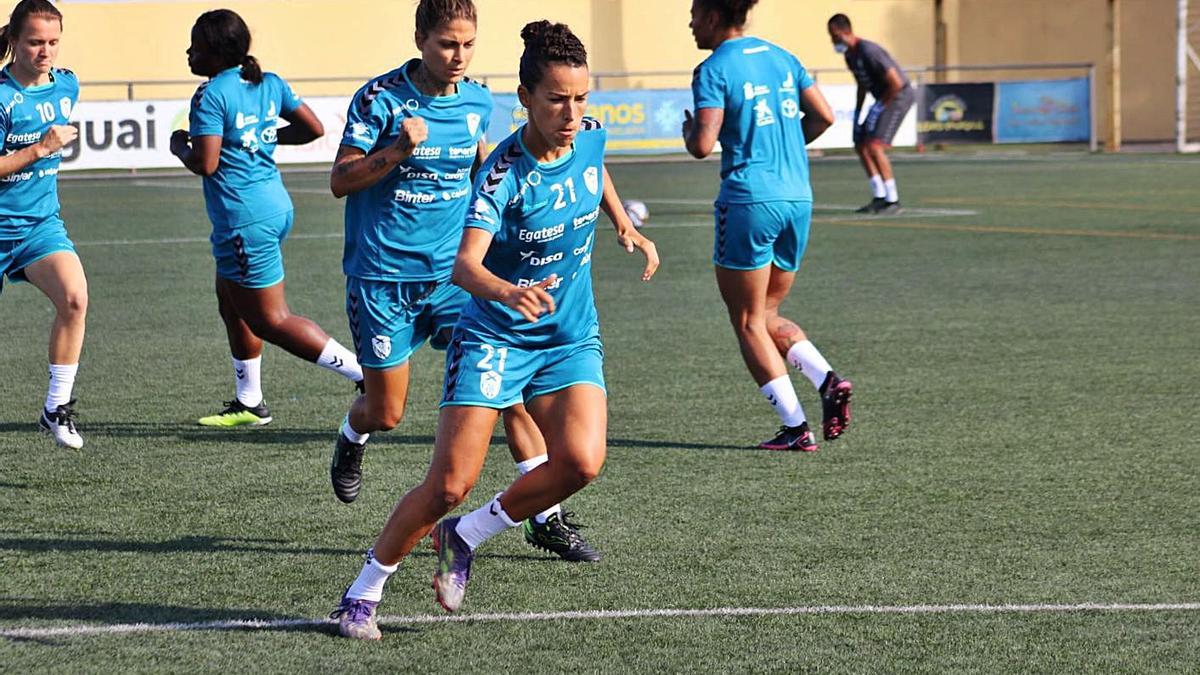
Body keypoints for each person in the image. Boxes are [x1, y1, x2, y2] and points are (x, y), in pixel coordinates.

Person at [330, 19, 659, 640]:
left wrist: (623, 224)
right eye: (556, 99)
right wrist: (510, 292)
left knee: (583, 462)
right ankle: (361, 594)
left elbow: (597, 163)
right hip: (495, 338)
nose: (571, 112)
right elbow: (465, 265)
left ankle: (467, 536)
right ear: (526, 98)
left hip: (569, 338)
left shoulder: (588, 134)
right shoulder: (504, 174)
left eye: (581, 98)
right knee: (449, 483)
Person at [170, 9, 364, 428]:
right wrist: (263, 134)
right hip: (273, 207)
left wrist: (178, 147)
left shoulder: (210, 95)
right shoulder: (268, 83)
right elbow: (312, 128)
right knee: (230, 300)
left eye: (196, 46)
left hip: (244, 219)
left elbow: (205, 163)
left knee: (271, 319)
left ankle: (365, 374)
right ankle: (249, 401)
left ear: (216, 52)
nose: (188, 52)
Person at [684, 0, 852, 452]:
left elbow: (702, 143)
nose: (691, 22)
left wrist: (688, 132)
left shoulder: (713, 69)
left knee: (747, 322)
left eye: (696, 13)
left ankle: (796, 429)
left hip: (749, 201)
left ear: (716, 16)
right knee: (767, 315)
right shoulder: (783, 57)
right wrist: (787, 147)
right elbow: (825, 116)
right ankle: (827, 379)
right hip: (798, 196)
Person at [0, 0, 85, 449]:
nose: (45, 51)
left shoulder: (67, 86)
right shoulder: (0, 97)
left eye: (52, 41)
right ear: (13, 40)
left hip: (39, 226)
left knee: (74, 299)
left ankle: (56, 408)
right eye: (34, 42)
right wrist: (38, 149)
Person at [827, 12, 915, 215]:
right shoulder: (850, 56)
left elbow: (896, 82)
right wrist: (858, 111)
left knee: (874, 145)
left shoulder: (868, 50)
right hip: (882, 99)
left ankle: (893, 200)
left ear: (845, 31)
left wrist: (878, 108)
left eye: (834, 35)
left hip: (898, 97)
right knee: (860, 144)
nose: (832, 40)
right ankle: (879, 196)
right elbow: (862, 85)